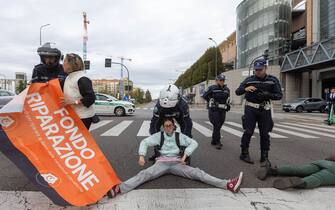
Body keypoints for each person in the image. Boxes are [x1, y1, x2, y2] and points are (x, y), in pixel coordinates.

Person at [107, 117, 243, 198]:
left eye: (170, 126)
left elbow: (194, 142)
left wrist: (185, 155)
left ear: (173, 126)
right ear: (163, 127)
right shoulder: (158, 136)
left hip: (177, 163)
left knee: (198, 173)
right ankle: (119, 189)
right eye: (165, 126)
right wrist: (141, 155)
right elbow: (144, 142)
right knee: (145, 174)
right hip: (161, 163)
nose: (167, 128)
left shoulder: (179, 136)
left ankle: (227, 184)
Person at [235, 58, 282, 167]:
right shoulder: (249, 80)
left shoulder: (273, 80)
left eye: (260, 69)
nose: (258, 71)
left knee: (265, 133)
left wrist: (268, 95)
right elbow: (237, 91)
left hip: (265, 109)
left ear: (265, 68)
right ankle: (244, 153)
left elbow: (279, 95)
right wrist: (246, 88)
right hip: (250, 108)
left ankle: (264, 157)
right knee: (248, 131)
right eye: (256, 70)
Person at [256, 155, 335, 189]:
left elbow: (330, 157)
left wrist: (326, 160)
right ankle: (302, 182)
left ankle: (272, 170)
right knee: (318, 178)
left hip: (325, 162)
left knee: (299, 169)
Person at [62, 53, 96, 129]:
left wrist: (73, 102)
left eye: (65, 61)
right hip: (73, 115)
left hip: (83, 117)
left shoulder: (82, 78)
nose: (63, 64)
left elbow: (91, 98)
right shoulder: (69, 77)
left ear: (71, 64)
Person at [202, 73, 230, 150]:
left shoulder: (227, 90)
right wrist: (210, 100)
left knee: (219, 125)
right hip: (214, 110)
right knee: (217, 125)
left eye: (223, 80)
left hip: (222, 110)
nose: (222, 82)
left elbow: (228, 99)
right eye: (220, 80)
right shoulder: (212, 88)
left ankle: (214, 140)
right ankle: (218, 142)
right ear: (216, 80)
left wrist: (228, 105)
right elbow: (204, 95)